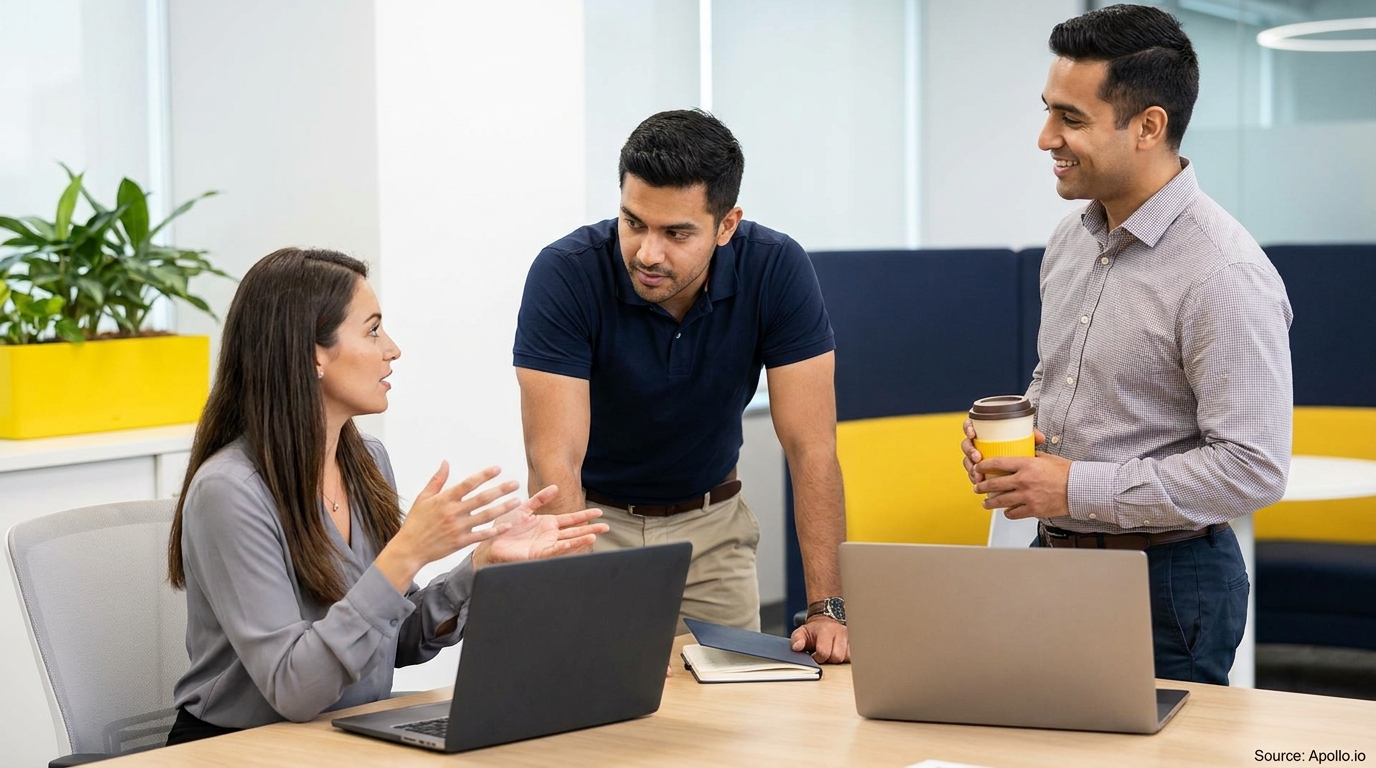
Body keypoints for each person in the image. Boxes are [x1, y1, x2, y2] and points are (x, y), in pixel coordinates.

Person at [961, 4, 1293, 685]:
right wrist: (1018, 433)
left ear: (1149, 126)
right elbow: (1063, 378)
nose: (1045, 137)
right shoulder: (1070, 242)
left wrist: (1074, 485)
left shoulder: (1224, 273)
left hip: (1166, 584)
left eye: (1071, 119)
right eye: (1049, 110)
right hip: (1054, 557)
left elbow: (1252, 468)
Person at [165, 248, 608, 743]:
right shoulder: (230, 492)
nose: (391, 349)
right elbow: (293, 689)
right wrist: (407, 552)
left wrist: (481, 567)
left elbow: (393, 640)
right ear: (313, 352)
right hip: (237, 749)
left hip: (340, 739)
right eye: (373, 330)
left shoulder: (365, 461)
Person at [513, 109, 849, 662]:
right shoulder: (565, 273)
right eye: (634, 222)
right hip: (591, 525)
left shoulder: (777, 268)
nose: (648, 252)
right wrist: (574, 604)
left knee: (722, 728)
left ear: (726, 226)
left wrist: (826, 609)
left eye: (676, 233)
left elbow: (811, 447)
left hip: (713, 530)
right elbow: (556, 461)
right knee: (594, 709)